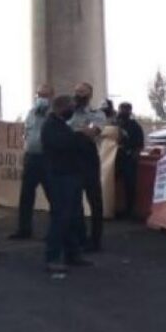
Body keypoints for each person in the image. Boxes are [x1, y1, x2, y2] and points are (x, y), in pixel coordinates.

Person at [40, 95, 90, 273]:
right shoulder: (50, 126)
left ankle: (72, 253)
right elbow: (63, 144)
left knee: (73, 216)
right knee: (61, 217)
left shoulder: (61, 125)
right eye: (70, 107)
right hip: (60, 176)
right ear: (61, 108)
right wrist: (80, 136)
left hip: (70, 175)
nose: (72, 110)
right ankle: (52, 257)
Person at [9, 84, 54, 240]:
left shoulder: (54, 114)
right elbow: (27, 132)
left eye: (45, 96)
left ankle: (55, 231)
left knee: (53, 196)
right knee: (26, 195)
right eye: (39, 95)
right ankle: (24, 229)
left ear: (51, 97)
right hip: (32, 157)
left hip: (48, 158)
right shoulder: (31, 113)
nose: (41, 99)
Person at [68, 82, 106, 253]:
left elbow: (92, 132)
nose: (78, 94)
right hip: (72, 159)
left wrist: (74, 131)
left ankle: (96, 240)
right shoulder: (68, 113)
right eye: (76, 91)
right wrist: (80, 130)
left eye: (82, 92)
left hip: (89, 160)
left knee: (95, 201)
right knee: (75, 202)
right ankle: (80, 238)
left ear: (90, 94)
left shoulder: (96, 114)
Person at [114, 101, 145, 219]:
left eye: (126, 109)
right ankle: (113, 207)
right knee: (111, 184)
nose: (123, 112)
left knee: (130, 185)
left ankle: (129, 210)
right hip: (114, 158)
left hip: (128, 158)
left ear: (130, 111)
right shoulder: (114, 124)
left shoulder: (134, 126)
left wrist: (134, 155)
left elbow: (139, 144)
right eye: (122, 109)